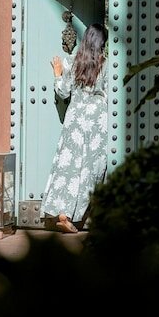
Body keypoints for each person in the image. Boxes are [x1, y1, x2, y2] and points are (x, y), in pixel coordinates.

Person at [41, 22, 109, 234]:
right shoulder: (106, 64)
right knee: (91, 168)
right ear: (102, 43)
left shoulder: (72, 62)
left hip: (75, 118)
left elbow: (63, 92)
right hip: (98, 120)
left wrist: (57, 73)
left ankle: (63, 213)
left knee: (68, 167)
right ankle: (87, 213)